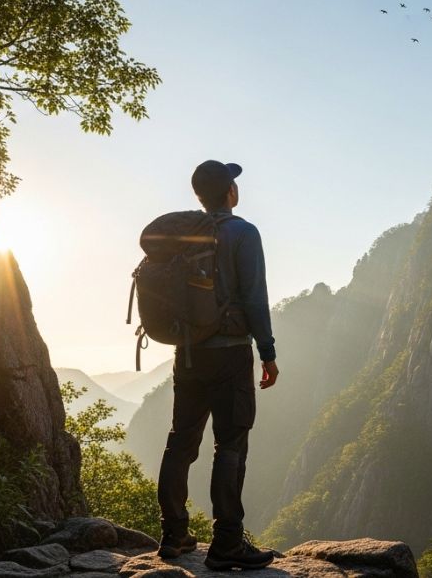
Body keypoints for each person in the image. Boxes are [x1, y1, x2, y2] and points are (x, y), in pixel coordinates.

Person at [156, 160, 279, 571]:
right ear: (231, 192)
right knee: (230, 444)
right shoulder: (244, 233)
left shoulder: (184, 236)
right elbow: (255, 297)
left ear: (198, 197)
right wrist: (268, 352)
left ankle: (173, 534)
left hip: (188, 354)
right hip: (229, 353)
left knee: (181, 440)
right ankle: (227, 542)